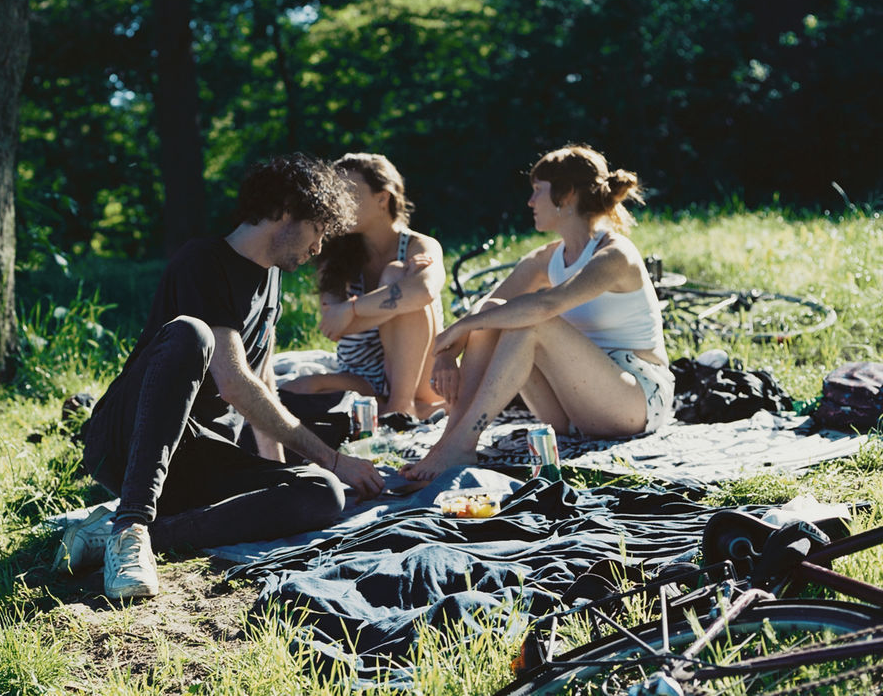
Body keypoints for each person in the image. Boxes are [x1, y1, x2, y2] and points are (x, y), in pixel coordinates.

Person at [55, 154, 385, 599]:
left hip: (198, 457)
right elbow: (234, 382)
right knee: (192, 334)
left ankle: (123, 535)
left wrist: (280, 476)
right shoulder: (202, 262)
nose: (318, 248)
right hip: (129, 440)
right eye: (318, 229)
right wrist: (334, 457)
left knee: (322, 492)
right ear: (286, 209)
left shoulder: (272, 279)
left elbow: (262, 384)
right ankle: (131, 523)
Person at [402, 145, 672, 482]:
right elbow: (487, 307)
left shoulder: (616, 254)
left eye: (537, 191)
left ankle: (463, 440)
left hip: (636, 399)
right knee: (493, 312)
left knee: (532, 322)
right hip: (574, 407)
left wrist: (460, 329)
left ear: (567, 195)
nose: (530, 202)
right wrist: (447, 353)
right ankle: (451, 441)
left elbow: (547, 306)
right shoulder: (547, 258)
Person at [284, 153, 447, 419]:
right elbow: (334, 326)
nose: (338, 202)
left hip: (418, 372)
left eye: (348, 192)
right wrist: (389, 302)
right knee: (297, 389)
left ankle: (401, 408)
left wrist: (354, 308)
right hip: (363, 374)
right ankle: (413, 411)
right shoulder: (333, 255)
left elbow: (424, 292)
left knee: (397, 275)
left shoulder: (420, 246)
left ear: (382, 198)